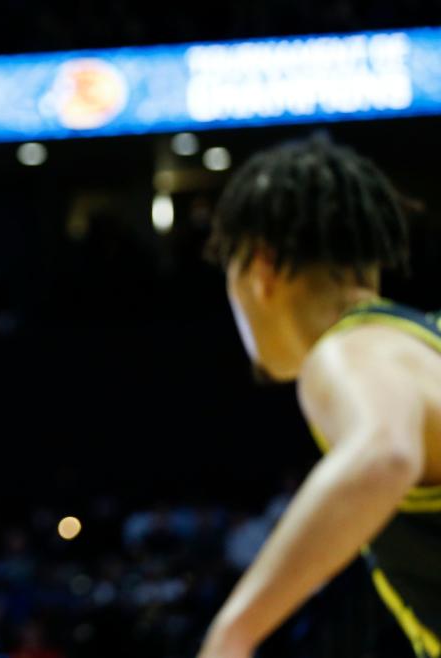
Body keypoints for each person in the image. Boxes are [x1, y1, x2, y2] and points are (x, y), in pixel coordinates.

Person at [199, 136, 441, 658]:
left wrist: (232, 635)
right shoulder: (422, 345)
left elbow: (384, 454)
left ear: (261, 267)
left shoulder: (349, 350)